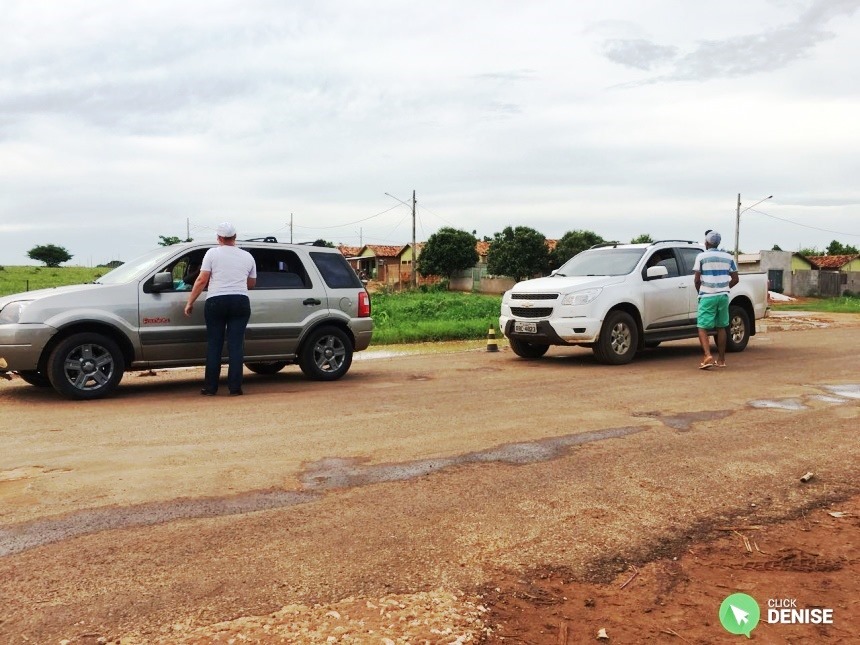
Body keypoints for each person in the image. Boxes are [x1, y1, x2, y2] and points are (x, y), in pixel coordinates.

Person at [184, 223, 257, 395]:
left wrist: (190, 302)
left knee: (214, 344)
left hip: (216, 301)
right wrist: (236, 283)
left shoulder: (212, 253)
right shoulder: (247, 256)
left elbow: (202, 280)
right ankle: (235, 387)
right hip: (240, 301)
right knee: (236, 345)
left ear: (219, 238)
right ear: (235, 236)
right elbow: (252, 283)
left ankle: (210, 388)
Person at [693, 230, 739, 369]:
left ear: (707, 242)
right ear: (718, 243)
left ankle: (707, 355)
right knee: (721, 327)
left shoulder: (701, 257)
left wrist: (700, 292)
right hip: (723, 296)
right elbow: (736, 279)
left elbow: (696, 279)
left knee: (702, 327)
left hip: (707, 295)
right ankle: (721, 360)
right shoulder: (728, 257)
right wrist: (724, 287)